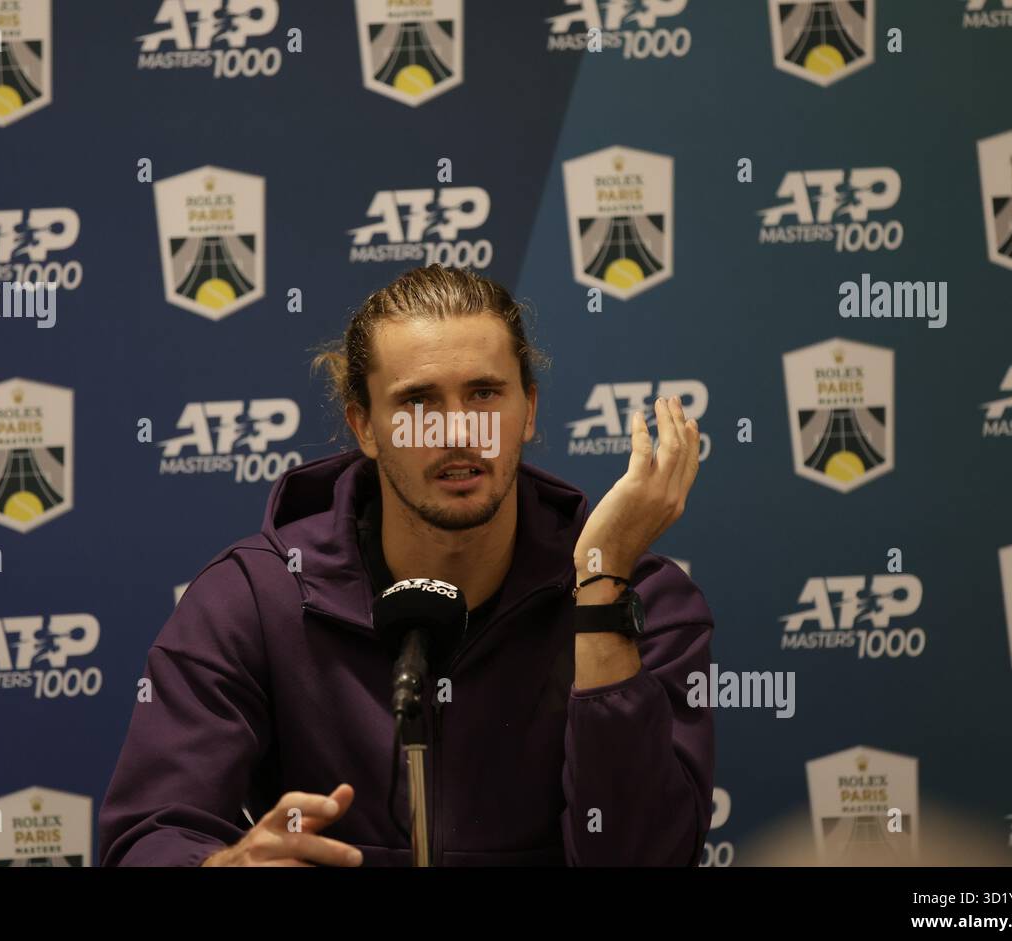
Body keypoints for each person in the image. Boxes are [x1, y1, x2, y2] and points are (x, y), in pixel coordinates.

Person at [98, 264, 714, 866]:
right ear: (364, 425)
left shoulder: (644, 600)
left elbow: (641, 855)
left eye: (484, 393)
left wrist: (601, 596)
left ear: (529, 410)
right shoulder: (253, 600)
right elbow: (147, 837)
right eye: (418, 402)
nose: (456, 431)